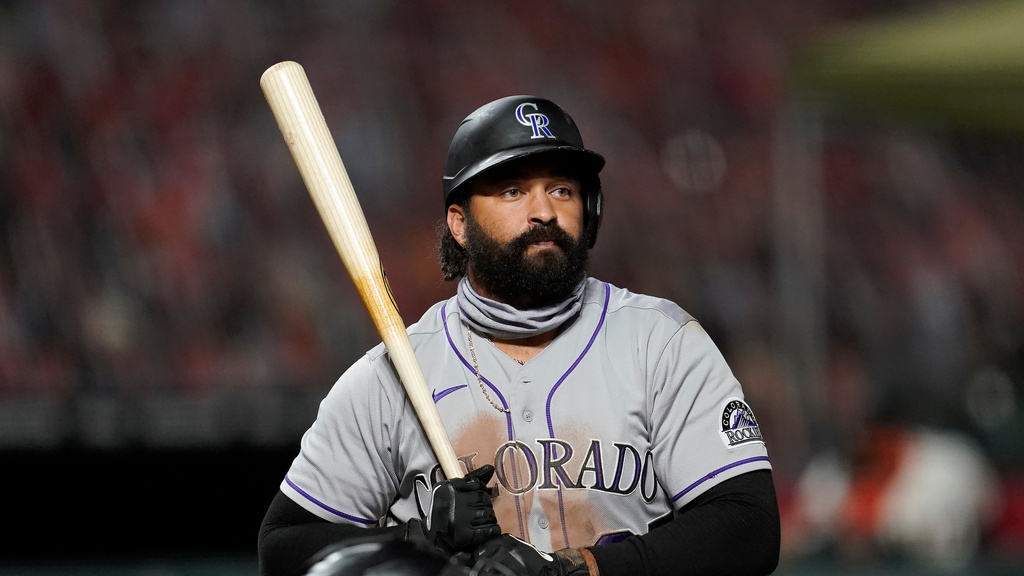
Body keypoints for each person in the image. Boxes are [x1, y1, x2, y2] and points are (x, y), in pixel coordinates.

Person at [258, 95, 781, 576]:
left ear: (590, 211)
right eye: (513, 190)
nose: (545, 211)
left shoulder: (660, 343)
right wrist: (417, 542)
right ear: (459, 225)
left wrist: (579, 571)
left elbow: (750, 528)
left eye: (561, 189)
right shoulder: (393, 373)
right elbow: (283, 545)